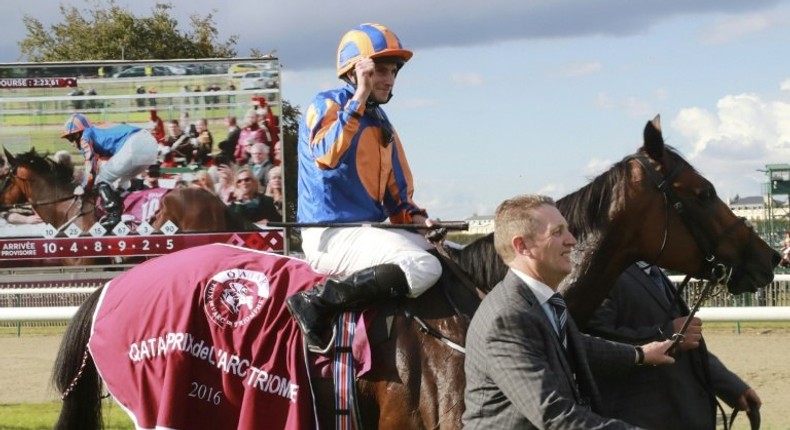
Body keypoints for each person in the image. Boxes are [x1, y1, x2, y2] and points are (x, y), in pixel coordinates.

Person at [286, 23, 442, 352]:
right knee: (425, 266)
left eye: (393, 72)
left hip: (367, 231)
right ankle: (316, 303)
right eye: (379, 71)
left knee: (447, 256)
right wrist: (358, 96)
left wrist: (420, 223)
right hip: (328, 235)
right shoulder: (325, 105)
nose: (388, 79)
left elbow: (399, 202)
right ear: (356, 72)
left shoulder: (384, 125)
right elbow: (326, 155)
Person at [462, 194, 676, 429]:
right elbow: (553, 414)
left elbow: (576, 345)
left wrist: (640, 354)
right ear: (522, 246)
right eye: (558, 232)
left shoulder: (543, 300)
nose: (572, 240)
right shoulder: (507, 318)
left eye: (568, 231)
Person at [584, 262, 761, 429]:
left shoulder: (652, 271)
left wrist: (731, 386)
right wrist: (668, 336)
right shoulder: (605, 272)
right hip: (644, 419)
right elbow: (594, 344)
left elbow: (691, 348)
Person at [60, 113, 158, 229]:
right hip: (150, 144)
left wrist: (84, 186)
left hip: (136, 143)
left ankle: (114, 216)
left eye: (72, 138)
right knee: (120, 183)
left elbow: (90, 164)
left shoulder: (86, 135)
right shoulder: (98, 133)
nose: (72, 144)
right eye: (69, 139)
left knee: (102, 179)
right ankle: (140, 206)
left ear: (79, 133)